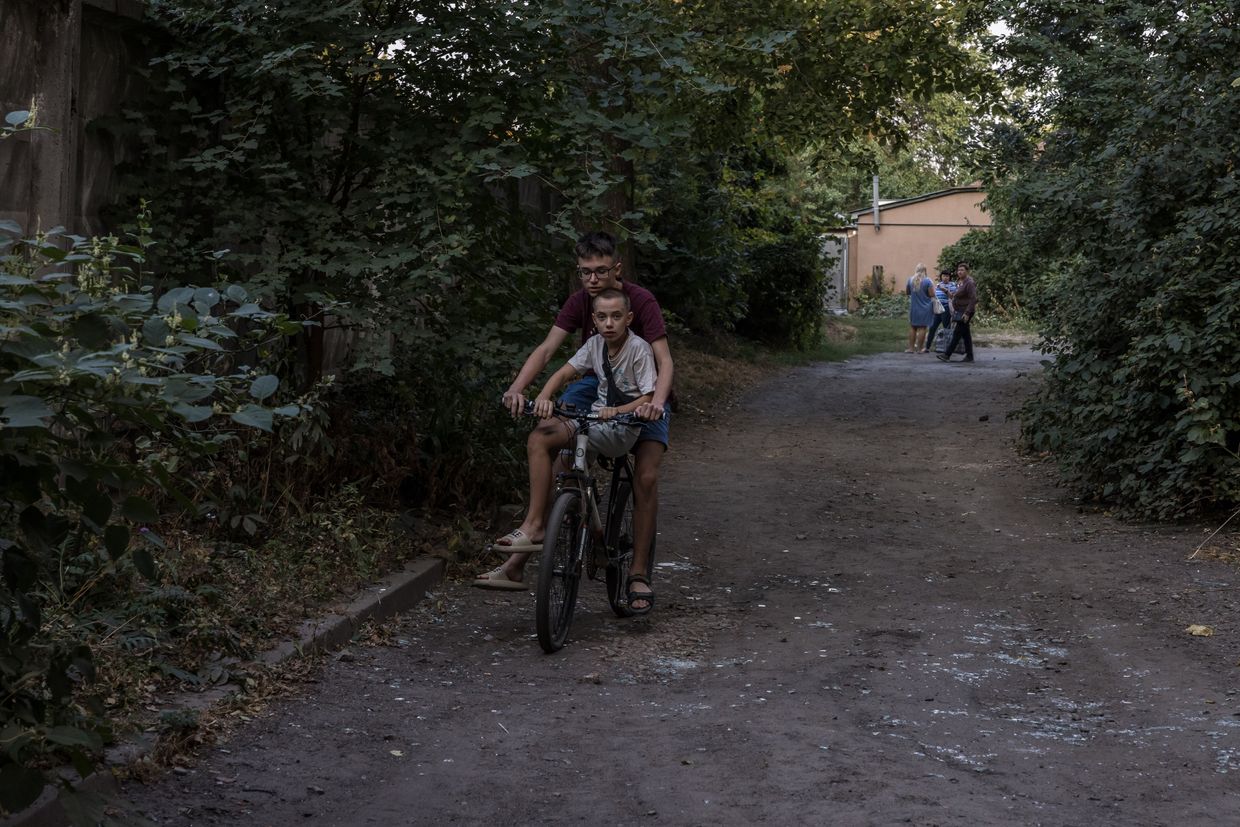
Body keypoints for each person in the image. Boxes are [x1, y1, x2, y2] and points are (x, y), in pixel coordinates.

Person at [476, 231, 673, 614]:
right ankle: (533, 543)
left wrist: (657, 404)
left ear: (617, 268)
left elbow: (663, 361)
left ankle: (637, 574)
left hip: (644, 391)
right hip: (597, 384)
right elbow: (549, 349)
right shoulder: (579, 302)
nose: (593, 280)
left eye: (601, 271)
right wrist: (518, 389)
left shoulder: (640, 302)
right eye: (586, 272)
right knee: (553, 442)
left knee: (646, 476)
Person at [937, 261, 976, 363]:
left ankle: (947, 355)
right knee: (966, 334)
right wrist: (945, 290)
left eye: (962, 270)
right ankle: (970, 356)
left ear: (967, 271)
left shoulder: (969, 283)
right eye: (958, 270)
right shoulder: (960, 282)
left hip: (966, 311)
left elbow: (973, 299)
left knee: (957, 333)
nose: (959, 272)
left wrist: (967, 313)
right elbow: (954, 296)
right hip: (960, 310)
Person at [905, 263, 934, 353]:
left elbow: (907, 292)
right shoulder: (928, 281)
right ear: (925, 271)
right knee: (922, 327)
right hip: (925, 308)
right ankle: (920, 349)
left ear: (916, 270)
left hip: (914, 307)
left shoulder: (910, 280)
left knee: (913, 327)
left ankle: (911, 348)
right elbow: (932, 294)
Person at [923, 268, 954, 353]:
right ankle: (927, 347)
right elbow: (934, 296)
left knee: (946, 329)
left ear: (950, 277)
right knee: (932, 328)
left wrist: (945, 290)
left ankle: (947, 348)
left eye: (947, 276)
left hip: (946, 309)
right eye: (944, 276)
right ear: (941, 277)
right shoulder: (938, 285)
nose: (945, 278)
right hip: (937, 309)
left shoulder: (952, 285)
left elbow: (953, 297)